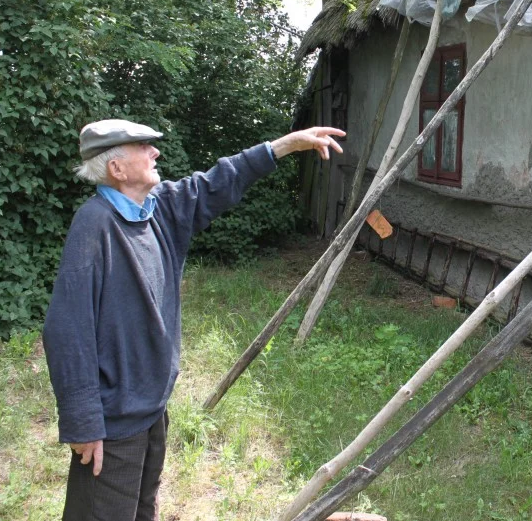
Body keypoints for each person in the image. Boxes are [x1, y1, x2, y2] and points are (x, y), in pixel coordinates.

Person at [43, 119, 345, 521]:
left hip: (152, 407)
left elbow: (218, 181)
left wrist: (285, 146)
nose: (156, 153)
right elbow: (67, 328)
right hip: (113, 419)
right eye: (143, 147)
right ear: (116, 169)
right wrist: (84, 423)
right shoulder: (95, 224)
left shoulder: (159, 210)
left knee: (142, 508)